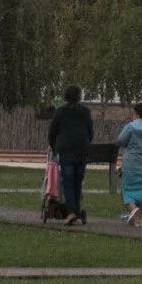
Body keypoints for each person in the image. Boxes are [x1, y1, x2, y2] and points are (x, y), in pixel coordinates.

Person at [49, 86, 95, 226]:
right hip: (81, 150)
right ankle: (76, 209)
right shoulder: (85, 112)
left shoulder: (61, 112)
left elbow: (53, 131)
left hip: (66, 150)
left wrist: (54, 146)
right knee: (77, 180)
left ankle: (71, 212)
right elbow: (90, 131)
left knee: (68, 181)